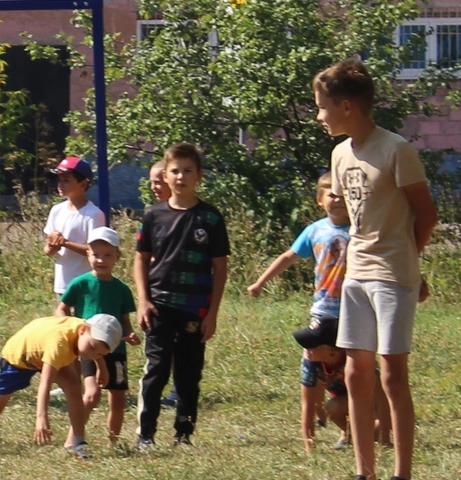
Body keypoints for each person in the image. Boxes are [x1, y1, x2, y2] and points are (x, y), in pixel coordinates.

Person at [316, 58, 436, 480]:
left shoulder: (396, 150)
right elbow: (357, 217)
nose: (319, 115)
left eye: (322, 107)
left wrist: (410, 262)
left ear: (346, 106)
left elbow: (426, 215)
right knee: (354, 372)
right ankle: (365, 474)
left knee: (391, 373)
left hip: (392, 274)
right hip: (357, 273)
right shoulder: (340, 153)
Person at [247, 175, 356, 453]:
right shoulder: (315, 231)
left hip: (356, 312)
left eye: (343, 194)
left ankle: (360, 427)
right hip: (323, 310)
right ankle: (313, 433)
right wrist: (260, 282)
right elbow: (289, 257)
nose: (337, 198)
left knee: (355, 372)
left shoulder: (361, 229)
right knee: (313, 365)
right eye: (331, 194)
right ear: (320, 200)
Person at [132, 142, 230, 447]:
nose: (180, 177)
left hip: (195, 309)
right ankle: (145, 434)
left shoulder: (210, 218)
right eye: (175, 171)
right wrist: (143, 300)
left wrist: (212, 313)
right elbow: (139, 258)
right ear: (166, 174)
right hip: (159, 305)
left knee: (188, 374)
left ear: (198, 176)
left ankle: (184, 434)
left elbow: (220, 267)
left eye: (188, 171)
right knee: (156, 371)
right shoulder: (153, 215)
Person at [0, 314, 125, 464]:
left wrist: (101, 365)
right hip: (17, 359)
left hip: (43, 351)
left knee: (75, 389)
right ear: (83, 330)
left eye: (101, 353)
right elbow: (45, 382)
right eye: (93, 348)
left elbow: (95, 347)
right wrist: (41, 418)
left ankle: (77, 442)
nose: (93, 354)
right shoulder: (59, 344)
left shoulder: (84, 333)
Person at [54, 226, 140, 443]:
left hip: (115, 350)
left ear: (117, 257)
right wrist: (71, 327)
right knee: (91, 395)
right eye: (95, 255)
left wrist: (130, 334)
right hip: (89, 350)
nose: (101, 260)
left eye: (108, 255)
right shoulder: (80, 283)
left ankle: (114, 442)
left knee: (117, 400)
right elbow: (62, 308)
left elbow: (125, 321)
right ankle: (73, 441)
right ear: (87, 254)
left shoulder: (122, 289)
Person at [41, 156, 108, 299]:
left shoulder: (94, 214)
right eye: (59, 180)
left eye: (66, 180)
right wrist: (52, 247)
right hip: (62, 284)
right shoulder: (56, 210)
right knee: (64, 320)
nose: (60, 184)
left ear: (83, 185)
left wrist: (65, 243)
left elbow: (95, 251)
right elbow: (47, 249)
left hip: (86, 284)